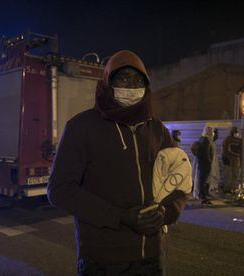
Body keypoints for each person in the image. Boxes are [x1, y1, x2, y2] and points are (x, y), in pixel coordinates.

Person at [47, 50, 188, 275]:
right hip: (103, 260)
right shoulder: (81, 127)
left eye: (138, 79)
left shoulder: (157, 130)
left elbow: (180, 178)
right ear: (107, 83)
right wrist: (120, 217)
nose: (131, 85)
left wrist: (167, 211)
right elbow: (60, 190)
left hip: (151, 256)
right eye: (123, 78)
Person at [194, 125, 214, 204]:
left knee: (202, 180)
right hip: (205, 164)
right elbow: (206, 153)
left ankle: (203, 195)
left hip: (203, 164)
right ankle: (202, 197)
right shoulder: (205, 140)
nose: (212, 133)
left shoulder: (202, 139)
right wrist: (209, 161)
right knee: (203, 181)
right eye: (211, 131)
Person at [222, 127, 242, 193]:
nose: (236, 133)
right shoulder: (227, 139)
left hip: (236, 160)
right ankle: (227, 189)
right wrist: (225, 159)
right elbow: (224, 150)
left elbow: (240, 151)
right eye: (235, 132)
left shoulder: (239, 140)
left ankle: (233, 188)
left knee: (235, 175)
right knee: (228, 175)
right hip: (229, 160)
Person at [208, 129, 220, 193]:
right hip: (210, 163)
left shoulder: (213, 144)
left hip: (213, 163)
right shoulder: (209, 143)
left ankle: (213, 187)